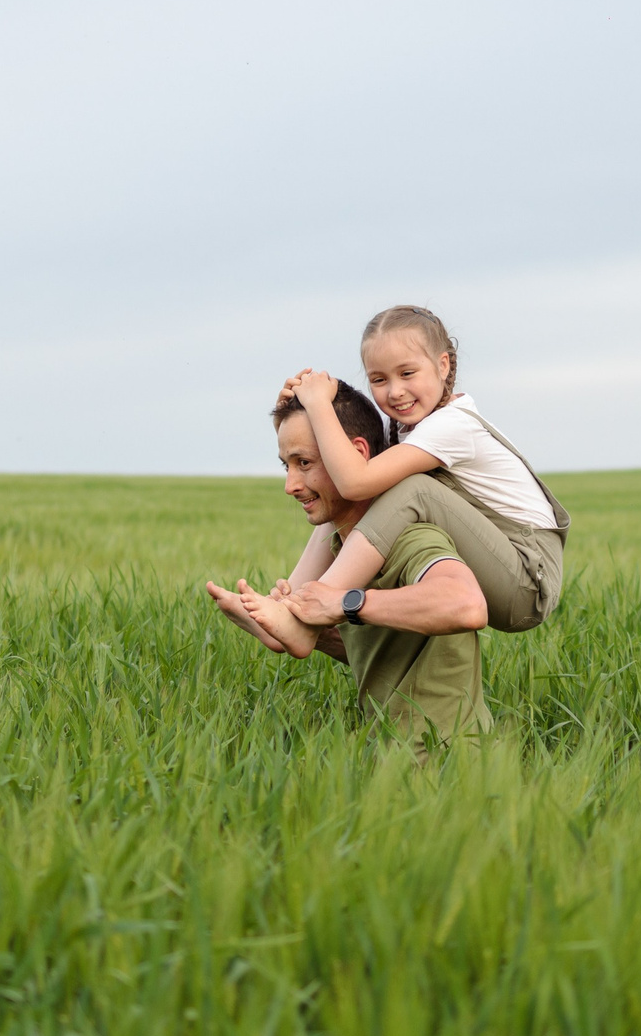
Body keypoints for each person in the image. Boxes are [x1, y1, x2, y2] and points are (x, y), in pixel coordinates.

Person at [205, 380, 495, 748]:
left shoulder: (409, 535)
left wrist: (343, 604)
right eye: (286, 467)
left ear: (356, 453)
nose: (291, 485)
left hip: (448, 757)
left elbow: (465, 604)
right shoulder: (343, 545)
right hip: (391, 754)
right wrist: (301, 623)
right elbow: (390, 646)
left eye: (304, 463)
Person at [276, 304, 568, 637]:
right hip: (500, 563)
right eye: (379, 379)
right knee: (333, 487)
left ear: (442, 365)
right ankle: (292, 601)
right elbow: (343, 478)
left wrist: (317, 404)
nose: (395, 391)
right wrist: (296, 412)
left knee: (410, 488)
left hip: (528, 580)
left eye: (407, 373)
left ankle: (310, 613)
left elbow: (355, 483)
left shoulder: (452, 425)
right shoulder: (405, 430)